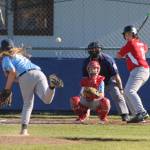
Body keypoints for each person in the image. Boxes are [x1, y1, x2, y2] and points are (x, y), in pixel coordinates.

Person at [0, 39, 64, 135]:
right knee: (47, 99)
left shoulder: (6, 58)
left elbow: (12, 72)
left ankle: (24, 130)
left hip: (25, 75)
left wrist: (7, 90)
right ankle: (52, 86)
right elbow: (14, 75)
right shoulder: (19, 55)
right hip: (39, 73)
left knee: (28, 104)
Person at [82, 41, 130, 121]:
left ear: (100, 49)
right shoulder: (86, 62)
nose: (93, 50)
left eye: (96, 48)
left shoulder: (107, 59)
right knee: (86, 94)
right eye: (91, 49)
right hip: (94, 82)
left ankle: (124, 114)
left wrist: (121, 89)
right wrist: (86, 89)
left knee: (117, 94)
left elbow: (116, 75)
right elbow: (85, 78)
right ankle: (84, 114)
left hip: (108, 81)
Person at [116, 25, 150, 123]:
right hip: (142, 70)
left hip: (139, 69)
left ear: (134, 34)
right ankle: (137, 116)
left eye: (129, 34)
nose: (127, 36)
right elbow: (145, 48)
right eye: (126, 34)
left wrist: (126, 52)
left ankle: (142, 112)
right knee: (126, 92)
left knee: (130, 91)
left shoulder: (130, 43)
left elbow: (118, 56)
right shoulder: (142, 44)